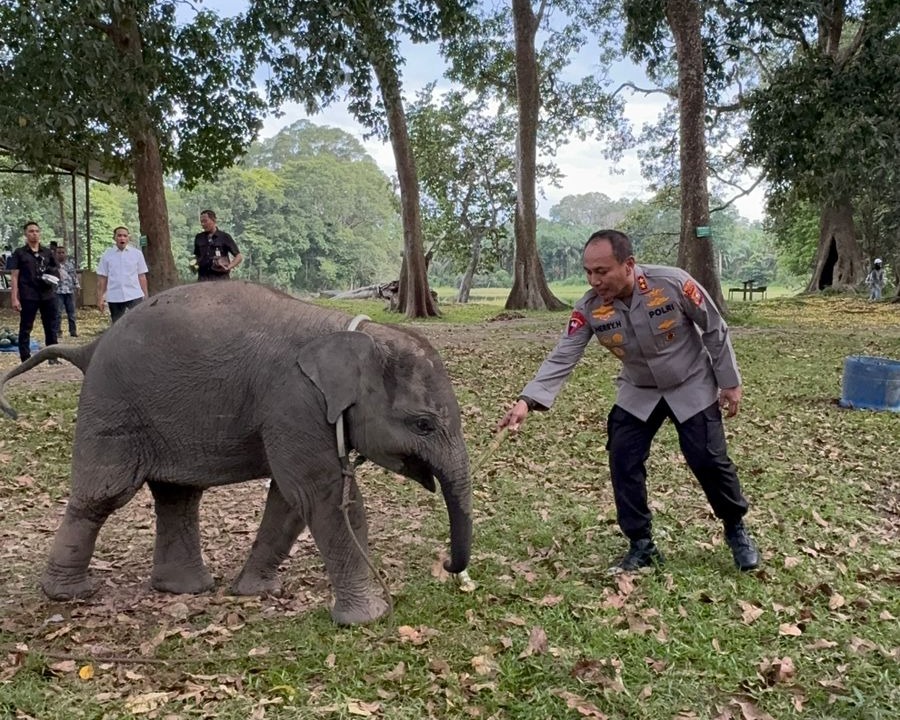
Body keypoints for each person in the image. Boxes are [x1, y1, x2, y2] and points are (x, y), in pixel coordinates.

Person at [497, 229, 760, 574]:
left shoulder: (673, 283)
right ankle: (641, 544)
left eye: (602, 271)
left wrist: (729, 382)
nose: (594, 280)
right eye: (588, 272)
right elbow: (564, 355)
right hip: (639, 389)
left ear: (629, 264)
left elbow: (713, 327)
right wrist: (526, 401)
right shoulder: (590, 308)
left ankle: (735, 528)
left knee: (709, 460)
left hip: (690, 381)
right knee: (623, 458)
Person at [8, 221, 59, 361]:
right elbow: (14, 276)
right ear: (26, 234)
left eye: (36, 231)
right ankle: (25, 357)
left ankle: (52, 356)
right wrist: (14, 298)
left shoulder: (48, 252)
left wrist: (52, 278)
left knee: (51, 326)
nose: (34, 234)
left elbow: (56, 271)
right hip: (28, 294)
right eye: (31, 231)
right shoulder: (19, 253)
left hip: (47, 294)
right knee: (26, 327)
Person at [97, 226, 148, 323]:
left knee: (138, 322)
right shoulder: (107, 255)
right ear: (114, 238)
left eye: (125, 236)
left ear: (128, 238)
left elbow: (141, 276)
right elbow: (102, 279)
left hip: (134, 294)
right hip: (115, 296)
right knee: (117, 324)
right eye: (119, 235)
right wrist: (100, 298)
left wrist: (146, 295)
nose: (122, 238)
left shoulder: (137, 254)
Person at [192, 209, 242, 281]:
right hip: (203, 278)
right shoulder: (199, 237)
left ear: (214, 220)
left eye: (205, 221)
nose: (203, 224)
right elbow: (197, 256)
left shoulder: (225, 237)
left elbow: (239, 257)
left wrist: (228, 267)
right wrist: (194, 265)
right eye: (201, 222)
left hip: (220, 278)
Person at [54, 245, 80, 338]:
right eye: (59, 253)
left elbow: (74, 276)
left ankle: (73, 331)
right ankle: (57, 331)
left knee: (71, 312)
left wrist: (77, 286)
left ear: (66, 254)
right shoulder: (53, 265)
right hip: (58, 291)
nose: (61, 255)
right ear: (55, 254)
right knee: (58, 313)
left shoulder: (70, 264)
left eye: (63, 252)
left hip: (69, 290)